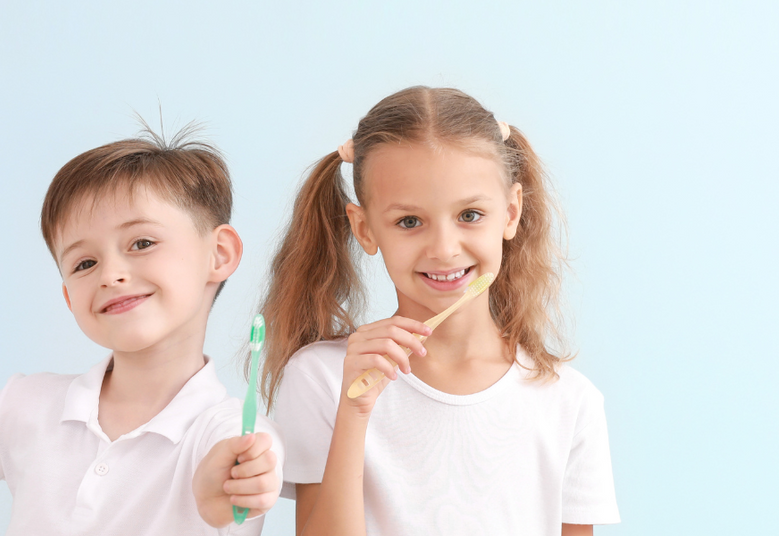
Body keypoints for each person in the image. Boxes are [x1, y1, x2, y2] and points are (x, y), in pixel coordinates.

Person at [260, 86, 619, 535]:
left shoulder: (568, 401)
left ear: (510, 213)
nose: (445, 249)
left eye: (469, 215)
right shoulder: (324, 379)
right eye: (409, 222)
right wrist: (354, 414)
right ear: (365, 229)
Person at [0, 129, 284, 535]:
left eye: (142, 242)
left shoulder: (238, 431)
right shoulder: (24, 406)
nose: (111, 275)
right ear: (68, 295)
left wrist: (221, 491)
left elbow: (232, 487)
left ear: (218, 254)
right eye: (84, 264)